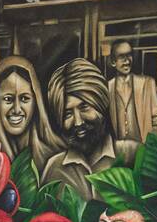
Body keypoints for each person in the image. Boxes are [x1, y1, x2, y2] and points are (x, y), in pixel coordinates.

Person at [41, 58, 116, 200]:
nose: (78, 122)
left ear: (101, 103)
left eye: (84, 107)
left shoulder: (129, 156)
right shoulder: (54, 169)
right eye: (67, 114)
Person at [0, 56, 63, 173]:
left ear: (36, 102)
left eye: (24, 98)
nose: (17, 109)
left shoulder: (57, 161)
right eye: (8, 99)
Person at [106, 39, 157, 164]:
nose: (127, 61)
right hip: (117, 152)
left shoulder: (147, 83)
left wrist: (151, 147)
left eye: (129, 55)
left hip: (143, 149)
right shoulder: (107, 88)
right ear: (113, 62)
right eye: (122, 57)